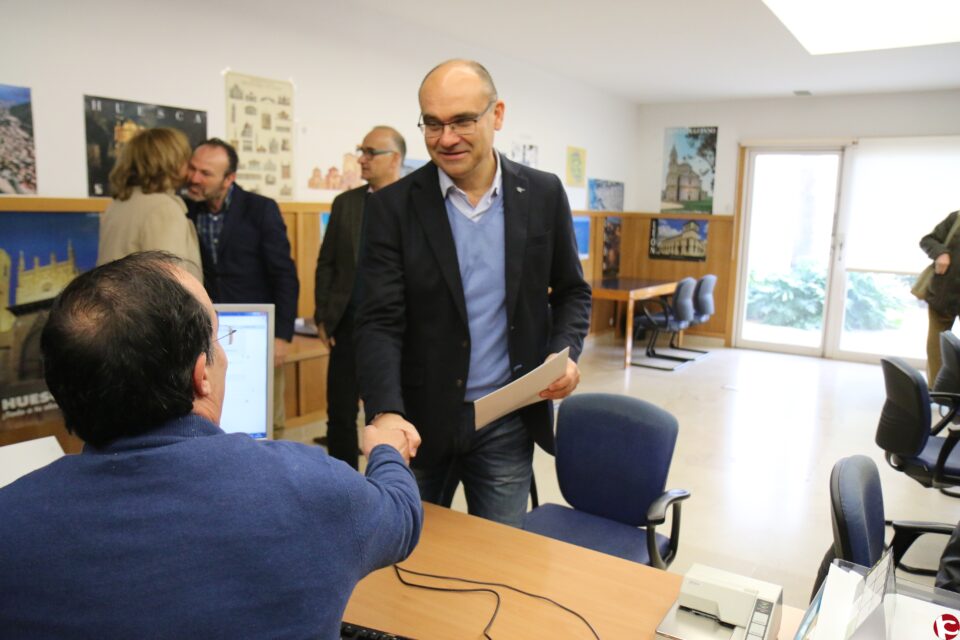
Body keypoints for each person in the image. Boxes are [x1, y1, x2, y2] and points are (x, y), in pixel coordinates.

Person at [0, 252, 422, 639]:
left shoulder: (12, 523)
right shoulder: (311, 488)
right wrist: (386, 450)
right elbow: (402, 514)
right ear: (201, 375)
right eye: (219, 338)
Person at [355, 60, 592, 527]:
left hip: (506, 419)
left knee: (500, 555)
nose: (446, 139)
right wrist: (385, 412)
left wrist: (563, 355)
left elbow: (571, 291)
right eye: (433, 124)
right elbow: (378, 321)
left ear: (496, 115)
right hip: (416, 423)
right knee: (406, 550)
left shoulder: (542, 194)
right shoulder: (391, 208)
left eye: (462, 121)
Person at [184, 139, 299, 438]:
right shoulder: (184, 210)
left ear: (229, 179)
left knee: (266, 415)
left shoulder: (261, 209)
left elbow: (284, 274)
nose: (194, 178)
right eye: (192, 169)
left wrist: (281, 336)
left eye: (205, 173)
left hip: (255, 329)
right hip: (205, 330)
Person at [314, 126, 405, 468]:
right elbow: (327, 262)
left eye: (370, 152)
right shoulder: (346, 204)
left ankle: (388, 481)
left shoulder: (414, 203)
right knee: (339, 413)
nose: (362, 159)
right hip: (347, 327)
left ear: (394, 159)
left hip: (399, 330)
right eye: (361, 151)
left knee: (387, 413)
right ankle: (344, 485)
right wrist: (323, 316)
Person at [97, 127, 202, 281]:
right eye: (186, 159)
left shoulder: (118, 204)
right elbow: (169, 282)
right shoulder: (163, 209)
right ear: (172, 161)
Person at [919, 209, 960, 384]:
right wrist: (941, 253)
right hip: (944, 293)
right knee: (937, 347)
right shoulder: (956, 218)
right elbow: (927, 240)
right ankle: (937, 391)